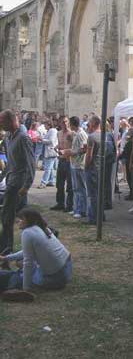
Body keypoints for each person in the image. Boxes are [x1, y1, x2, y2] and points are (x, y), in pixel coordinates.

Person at [0, 208, 72, 301]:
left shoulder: (28, 233)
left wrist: (26, 289)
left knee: (15, 276)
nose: (18, 221)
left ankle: (14, 288)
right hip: (66, 270)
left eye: (21, 219)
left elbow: (28, 263)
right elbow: (27, 252)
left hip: (55, 278)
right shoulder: (42, 227)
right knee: (19, 264)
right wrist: (6, 258)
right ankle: (16, 279)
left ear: (29, 220)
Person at [0, 110, 35, 253]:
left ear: (11, 121)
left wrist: (26, 186)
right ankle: (6, 249)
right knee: (10, 217)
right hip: (11, 180)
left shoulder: (23, 138)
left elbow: (31, 164)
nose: (0, 124)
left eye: (2, 121)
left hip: (18, 185)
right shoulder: (9, 137)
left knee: (8, 217)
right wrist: (1, 177)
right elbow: (10, 163)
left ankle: (6, 251)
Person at [60, 116, 88, 219]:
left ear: (72, 124)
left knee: (81, 189)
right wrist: (67, 151)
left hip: (79, 165)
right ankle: (76, 208)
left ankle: (82, 210)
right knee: (76, 188)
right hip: (74, 164)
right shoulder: (75, 134)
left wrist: (70, 152)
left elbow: (83, 150)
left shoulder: (81, 134)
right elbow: (75, 148)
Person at [51, 116, 74, 212]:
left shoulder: (72, 133)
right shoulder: (59, 133)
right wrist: (56, 148)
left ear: (68, 122)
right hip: (61, 160)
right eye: (62, 122)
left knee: (70, 185)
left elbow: (75, 147)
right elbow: (60, 144)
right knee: (59, 183)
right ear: (59, 123)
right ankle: (60, 203)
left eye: (66, 122)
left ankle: (69, 205)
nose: (64, 124)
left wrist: (65, 151)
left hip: (69, 160)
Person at [84, 115, 102, 225]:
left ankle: (93, 217)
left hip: (93, 167)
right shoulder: (106, 135)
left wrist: (86, 166)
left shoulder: (91, 136)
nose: (88, 124)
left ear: (94, 123)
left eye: (90, 122)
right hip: (101, 166)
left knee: (92, 194)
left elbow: (89, 155)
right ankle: (101, 215)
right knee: (99, 193)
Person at [38, 119, 58, 189]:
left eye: (45, 125)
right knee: (51, 168)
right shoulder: (50, 131)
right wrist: (42, 138)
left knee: (48, 168)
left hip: (51, 151)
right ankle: (51, 181)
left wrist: (42, 140)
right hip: (50, 151)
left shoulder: (52, 131)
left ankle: (43, 182)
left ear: (49, 125)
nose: (44, 126)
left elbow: (51, 141)